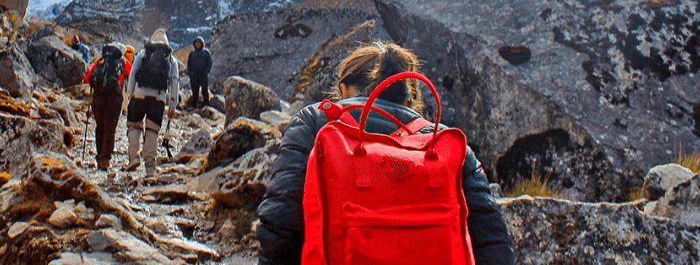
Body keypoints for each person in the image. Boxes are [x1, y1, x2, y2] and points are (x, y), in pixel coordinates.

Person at [256, 42, 515, 264]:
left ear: (344, 89)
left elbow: (281, 220)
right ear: (409, 97)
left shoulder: (316, 122)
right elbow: (492, 238)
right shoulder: (445, 142)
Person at [123, 28, 180, 177]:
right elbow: (174, 83)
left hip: (139, 94)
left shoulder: (143, 53)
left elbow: (133, 75)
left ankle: (134, 158)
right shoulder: (171, 59)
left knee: (134, 126)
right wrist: (172, 105)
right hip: (158, 98)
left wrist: (129, 96)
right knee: (152, 131)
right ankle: (150, 167)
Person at [84, 42, 132, 171]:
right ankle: (105, 159)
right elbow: (132, 77)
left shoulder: (100, 60)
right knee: (110, 129)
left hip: (98, 98)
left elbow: (87, 78)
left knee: (100, 127)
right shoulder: (123, 62)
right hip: (114, 99)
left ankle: (99, 157)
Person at [187, 36, 213, 107]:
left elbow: (210, 62)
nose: (197, 44)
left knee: (204, 90)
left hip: (203, 74)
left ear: (202, 44)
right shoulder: (192, 53)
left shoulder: (206, 52)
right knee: (195, 90)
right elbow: (189, 64)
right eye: (196, 43)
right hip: (194, 75)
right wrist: (190, 73)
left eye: (199, 43)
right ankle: (193, 105)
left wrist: (207, 70)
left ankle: (206, 104)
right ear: (194, 44)